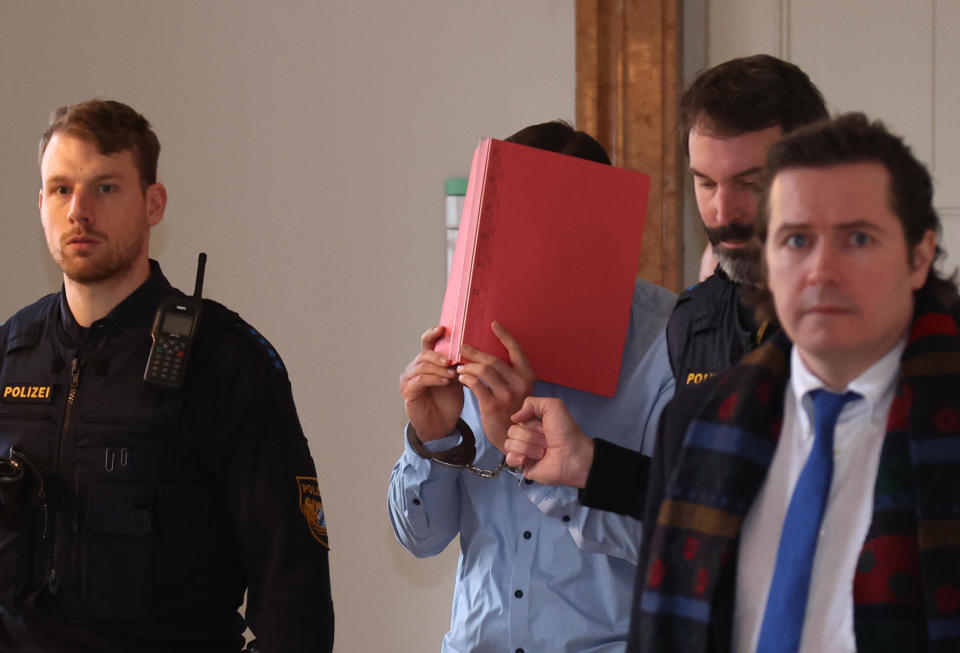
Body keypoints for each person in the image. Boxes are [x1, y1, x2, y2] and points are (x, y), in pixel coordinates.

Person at [514, 113, 960, 652]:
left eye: (857, 238)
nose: (821, 270)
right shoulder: (701, 422)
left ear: (918, 256)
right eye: (796, 240)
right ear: (764, 258)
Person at [0, 100, 334, 652]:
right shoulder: (12, 355)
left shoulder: (222, 361)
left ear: (153, 204)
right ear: (40, 205)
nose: (78, 210)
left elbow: (291, 583)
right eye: (61, 190)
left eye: (105, 188)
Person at [387, 121, 677, 652]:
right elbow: (419, 539)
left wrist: (536, 456)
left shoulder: (667, 342)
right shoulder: (473, 329)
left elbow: (678, 543)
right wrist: (433, 440)